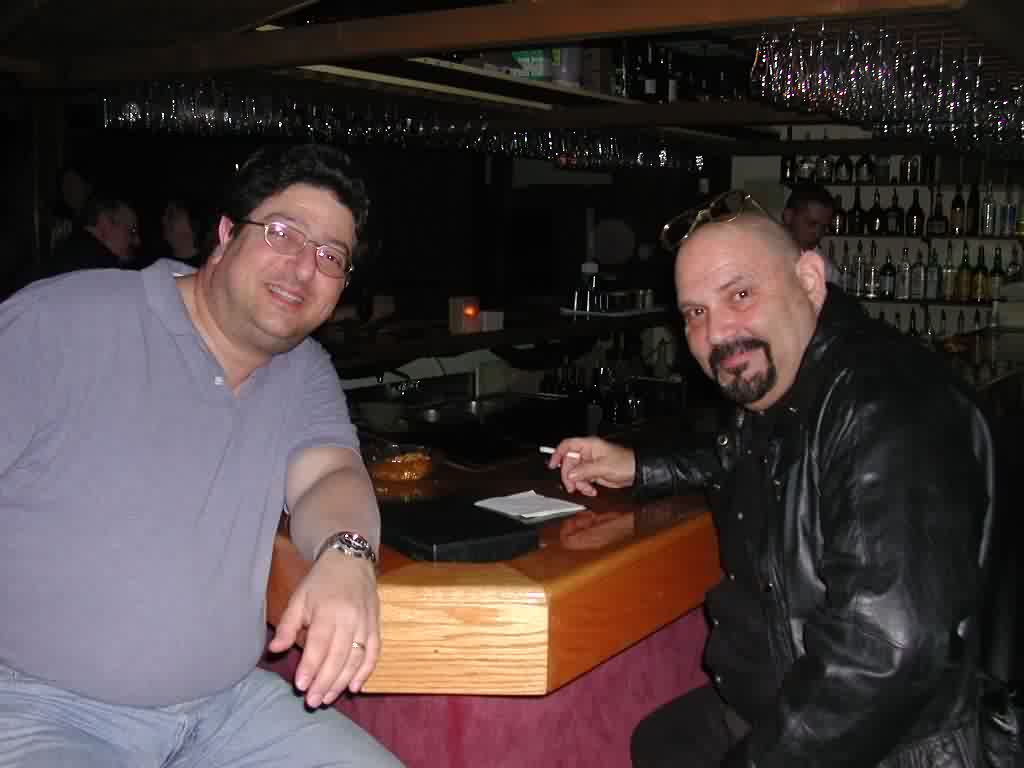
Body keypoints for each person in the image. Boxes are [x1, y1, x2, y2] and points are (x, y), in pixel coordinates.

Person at [548, 190, 994, 767]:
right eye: (695, 313)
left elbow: (886, 650)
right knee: (662, 741)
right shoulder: (797, 377)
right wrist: (637, 466)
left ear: (809, 280)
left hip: (896, 744)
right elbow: (753, 456)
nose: (716, 333)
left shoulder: (884, 402)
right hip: (786, 695)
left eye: (740, 295)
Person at [0, 144, 402, 767]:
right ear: (225, 234)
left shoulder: (302, 370)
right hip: (38, 708)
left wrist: (349, 555)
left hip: (226, 709)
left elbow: (329, 474)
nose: (303, 267)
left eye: (331, 256)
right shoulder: (65, 318)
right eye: (283, 233)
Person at [50, 193, 142, 274]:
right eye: (132, 231)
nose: (137, 241)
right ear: (106, 223)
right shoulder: (103, 270)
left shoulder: (66, 254)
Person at [781, 182, 841, 285]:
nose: (818, 234)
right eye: (811, 224)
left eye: (823, 227)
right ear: (788, 216)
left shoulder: (827, 270)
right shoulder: (763, 254)